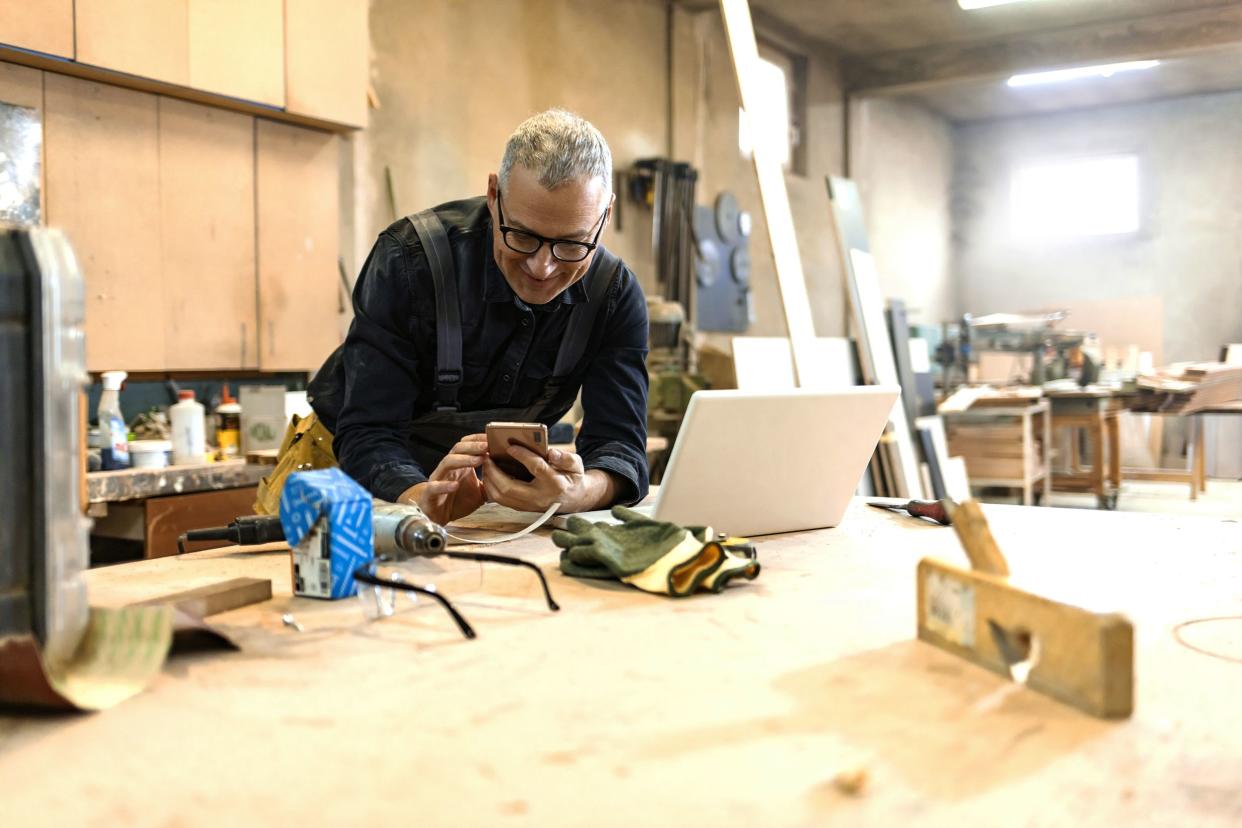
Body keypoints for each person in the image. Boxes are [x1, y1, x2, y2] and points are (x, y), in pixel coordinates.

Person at [305, 109, 649, 525]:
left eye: (573, 245)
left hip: (478, 505)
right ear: (493, 195)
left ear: (605, 216)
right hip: (345, 481)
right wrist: (420, 499)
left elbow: (620, 444)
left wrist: (580, 492)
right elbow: (368, 432)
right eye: (521, 235)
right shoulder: (409, 262)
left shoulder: (613, 294)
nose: (542, 268)